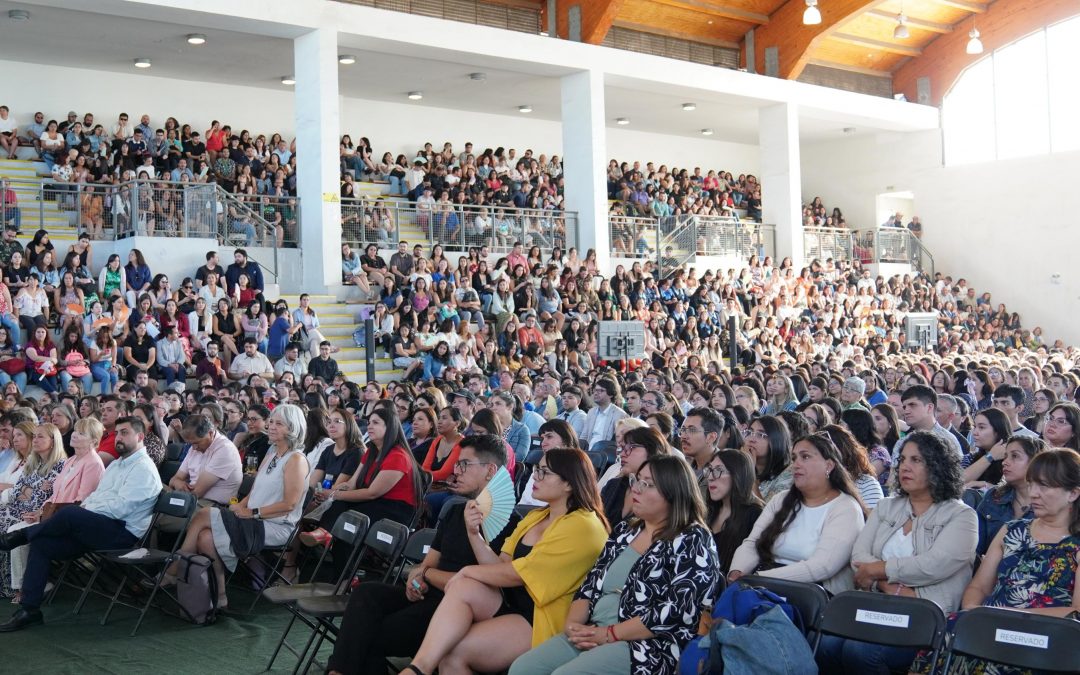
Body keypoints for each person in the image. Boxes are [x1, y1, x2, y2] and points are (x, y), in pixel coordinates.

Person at [400, 448, 609, 675]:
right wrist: (474, 534)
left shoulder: (584, 526)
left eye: (544, 472)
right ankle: (418, 668)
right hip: (509, 602)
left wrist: (466, 571)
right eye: (536, 469)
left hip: (540, 618)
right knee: (464, 588)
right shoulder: (536, 516)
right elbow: (499, 566)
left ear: (569, 483)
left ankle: (417, 669)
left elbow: (517, 574)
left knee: (454, 651)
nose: (534, 476)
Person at [511, 454, 720, 675]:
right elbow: (589, 586)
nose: (635, 489)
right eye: (636, 480)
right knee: (523, 668)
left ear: (674, 493)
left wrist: (610, 634)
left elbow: (676, 612)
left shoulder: (693, 539)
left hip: (649, 645)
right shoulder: (625, 531)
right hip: (595, 629)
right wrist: (573, 628)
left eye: (647, 484)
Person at [326, 434, 513, 675]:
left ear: (490, 470)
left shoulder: (510, 525)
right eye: (457, 464)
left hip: (457, 609)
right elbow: (426, 564)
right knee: (366, 592)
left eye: (464, 464)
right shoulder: (455, 511)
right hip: (428, 595)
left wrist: (427, 573)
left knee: (368, 635)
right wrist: (417, 578)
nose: (457, 471)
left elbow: (475, 583)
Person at [817, 431, 977, 674]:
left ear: (938, 466)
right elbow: (859, 556)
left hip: (925, 615)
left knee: (860, 653)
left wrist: (877, 570)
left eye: (916, 460)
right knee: (826, 645)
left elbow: (933, 564)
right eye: (902, 460)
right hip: (877, 603)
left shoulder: (961, 516)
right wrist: (888, 587)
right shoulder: (886, 506)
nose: (905, 467)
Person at [908, 449, 1080, 675]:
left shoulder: (1076, 545)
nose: (1034, 494)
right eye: (1032, 484)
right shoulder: (1011, 530)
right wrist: (974, 611)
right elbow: (979, 587)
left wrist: (1010, 617)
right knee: (947, 635)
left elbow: (1076, 611)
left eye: (1044, 486)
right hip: (991, 625)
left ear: (1073, 493)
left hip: (1043, 637)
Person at [0, 416, 161, 632]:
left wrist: (85, 512)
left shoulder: (144, 469)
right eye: (117, 433)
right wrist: (86, 510)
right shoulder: (117, 465)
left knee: (71, 513)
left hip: (122, 533)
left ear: (140, 436)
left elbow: (120, 509)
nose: (118, 438)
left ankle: (20, 536)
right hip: (96, 526)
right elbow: (96, 498)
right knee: (42, 543)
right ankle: (29, 610)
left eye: (125, 433)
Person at [162, 404, 309, 610]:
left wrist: (252, 513)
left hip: (276, 526)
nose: (272, 427)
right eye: (272, 422)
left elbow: (289, 504)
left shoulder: (296, 459)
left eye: (279, 424)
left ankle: (174, 568)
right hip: (254, 519)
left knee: (203, 514)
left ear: (293, 428)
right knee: (205, 537)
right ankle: (221, 595)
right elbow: (256, 490)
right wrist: (240, 505)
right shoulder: (272, 452)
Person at [729, 434, 866, 595]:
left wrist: (758, 579)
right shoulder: (781, 500)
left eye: (805, 457)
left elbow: (822, 566)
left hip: (812, 598)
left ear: (828, 466)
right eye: (794, 458)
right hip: (763, 588)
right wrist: (737, 571)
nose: (796, 464)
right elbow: (752, 543)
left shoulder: (846, 508)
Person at [300, 405, 422, 576]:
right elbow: (352, 484)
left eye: (376, 423)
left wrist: (335, 494)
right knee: (344, 519)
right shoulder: (371, 452)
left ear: (390, 428)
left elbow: (373, 492)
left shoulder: (398, 456)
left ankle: (328, 539)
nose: (370, 426)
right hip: (373, 505)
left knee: (346, 518)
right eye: (369, 422)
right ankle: (344, 575)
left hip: (395, 511)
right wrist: (336, 490)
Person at [6, 418, 106, 602]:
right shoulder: (72, 460)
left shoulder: (93, 463)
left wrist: (47, 514)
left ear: (94, 441)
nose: (74, 434)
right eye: (75, 430)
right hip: (53, 514)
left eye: (81, 433)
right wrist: (40, 513)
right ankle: (24, 586)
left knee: (18, 534)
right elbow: (55, 494)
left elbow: (82, 502)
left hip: (71, 522)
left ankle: (26, 588)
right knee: (15, 531)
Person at [0, 423, 66, 599]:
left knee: (10, 529)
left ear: (53, 441)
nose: (35, 440)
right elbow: (17, 491)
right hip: (18, 509)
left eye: (40, 436)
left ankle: (19, 588)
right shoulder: (34, 462)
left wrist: (28, 490)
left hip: (37, 515)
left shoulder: (60, 465)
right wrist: (27, 490)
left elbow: (42, 497)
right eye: (34, 436)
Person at [975, 435, 1046, 556]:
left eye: (1015, 456)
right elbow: (976, 548)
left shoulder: (1048, 503)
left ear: (1035, 462)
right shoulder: (994, 496)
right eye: (1005, 456)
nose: (1005, 462)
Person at [706, 448, 763, 574]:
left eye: (719, 470)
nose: (710, 477)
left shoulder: (754, 514)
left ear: (738, 474)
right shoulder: (709, 510)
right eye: (709, 470)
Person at [600, 426, 669, 526]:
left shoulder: (661, 494)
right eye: (622, 448)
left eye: (631, 448)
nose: (622, 454)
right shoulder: (613, 485)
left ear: (653, 450)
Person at [745, 415, 793, 503]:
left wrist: (750, 470)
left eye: (760, 435)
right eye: (750, 432)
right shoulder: (739, 464)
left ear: (777, 441)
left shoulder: (788, 474)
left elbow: (767, 514)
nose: (752, 439)